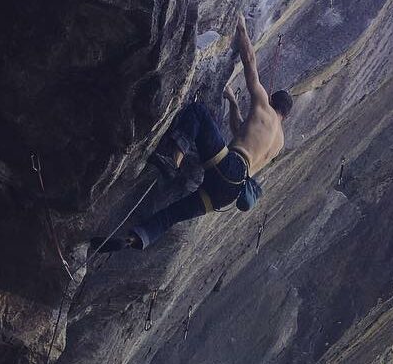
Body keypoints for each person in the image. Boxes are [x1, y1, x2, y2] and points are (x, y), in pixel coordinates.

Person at [94, 14, 293, 252]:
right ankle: (136, 239)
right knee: (172, 215)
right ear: (286, 114)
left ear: (271, 99)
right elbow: (242, 132)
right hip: (229, 192)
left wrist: (240, 25)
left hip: (230, 167)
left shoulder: (263, 104)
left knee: (197, 111)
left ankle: (173, 161)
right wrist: (232, 103)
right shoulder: (279, 142)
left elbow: (250, 62)